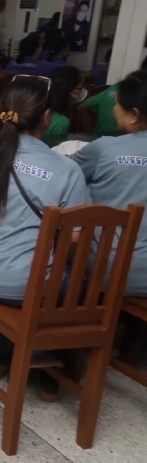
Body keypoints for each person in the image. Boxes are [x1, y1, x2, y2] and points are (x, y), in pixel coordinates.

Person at [0, 76, 90, 379]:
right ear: (48, 117)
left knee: (7, 261)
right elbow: (75, 237)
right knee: (74, 277)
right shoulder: (65, 169)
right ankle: (38, 353)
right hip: (17, 283)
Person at [72, 72, 147, 296]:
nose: (114, 109)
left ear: (134, 115)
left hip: (112, 270)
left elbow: (64, 173)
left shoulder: (106, 148)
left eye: (116, 104)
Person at [43, 66, 84, 146]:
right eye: (79, 88)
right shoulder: (61, 122)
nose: (83, 91)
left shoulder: (37, 107)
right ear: (68, 89)